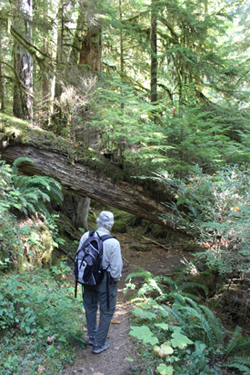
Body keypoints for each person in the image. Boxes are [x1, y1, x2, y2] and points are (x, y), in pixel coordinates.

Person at [77, 211, 123, 354]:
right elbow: (116, 269)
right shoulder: (113, 243)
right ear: (111, 224)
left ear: (98, 221)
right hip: (105, 281)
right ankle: (99, 343)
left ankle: (92, 337)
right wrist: (114, 281)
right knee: (106, 311)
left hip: (87, 278)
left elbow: (79, 256)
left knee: (90, 307)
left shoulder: (86, 236)